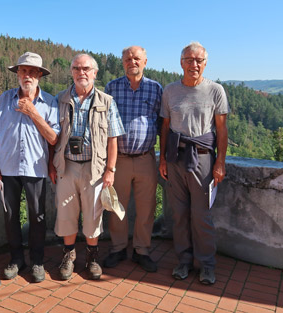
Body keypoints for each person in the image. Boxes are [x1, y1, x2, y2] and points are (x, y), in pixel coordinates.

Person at [50, 54, 124, 280]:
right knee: (66, 214)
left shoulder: (107, 101)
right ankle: (69, 256)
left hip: (95, 169)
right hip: (67, 166)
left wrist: (110, 170)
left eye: (86, 68)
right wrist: (51, 166)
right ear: (71, 72)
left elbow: (113, 138)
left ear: (95, 73)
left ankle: (92, 257)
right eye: (76, 68)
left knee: (93, 216)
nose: (81, 72)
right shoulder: (59, 99)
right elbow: (51, 136)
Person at [159, 42, 228, 285]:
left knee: (201, 215)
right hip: (175, 158)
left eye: (198, 60)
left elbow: (221, 129)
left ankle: (207, 265)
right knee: (179, 214)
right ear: (181, 63)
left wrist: (220, 162)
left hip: (203, 159)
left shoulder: (215, 90)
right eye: (189, 59)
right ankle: (184, 261)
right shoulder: (169, 91)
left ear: (205, 64)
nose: (194, 64)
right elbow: (165, 127)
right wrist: (163, 160)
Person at [0, 52, 60, 283]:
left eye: (32, 71)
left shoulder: (50, 102)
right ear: (17, 73)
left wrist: (33, 112)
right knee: (10, 216)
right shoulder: (4, 99)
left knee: (38, 216)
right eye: (23, 70)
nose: (27, 75)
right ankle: (16, 259)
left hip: (36, 168)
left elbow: (53, 139)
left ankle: (37, 261)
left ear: (40, 75)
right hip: (8, 168)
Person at [103, 46, 162, 272]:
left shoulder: (156, 89)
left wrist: (163, 157)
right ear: (122, 62)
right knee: (117, 206)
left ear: (145, 61)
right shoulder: (112, 87)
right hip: (119, 159)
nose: (132, 62)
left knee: (147, 208)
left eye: (136, 58)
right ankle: (118, 248)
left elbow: (162, 124)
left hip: (146, 158)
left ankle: (142, 250)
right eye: (128, 59)